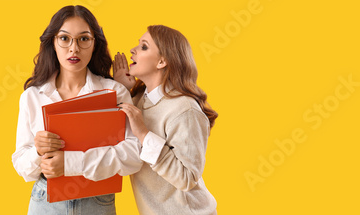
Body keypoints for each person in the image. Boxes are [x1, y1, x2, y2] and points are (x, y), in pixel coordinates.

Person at [12, 5, 142, 215]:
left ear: (94, 44)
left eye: (83, 39)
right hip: (44, 202)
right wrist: (38, 151)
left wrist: (72, 163)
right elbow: (22, 166)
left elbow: (134, 155)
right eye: (64, 38)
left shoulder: (114, 92)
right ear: (53, 43)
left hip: (97, 202)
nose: (74, 48)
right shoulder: (32, 96)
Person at [113, 25, 218, 215]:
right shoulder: (137, 101)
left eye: (144, 47)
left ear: (162, 61)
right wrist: (121, 90)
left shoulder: (184, 109)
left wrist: (144, 135)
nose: (133, 50)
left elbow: (187, 178)